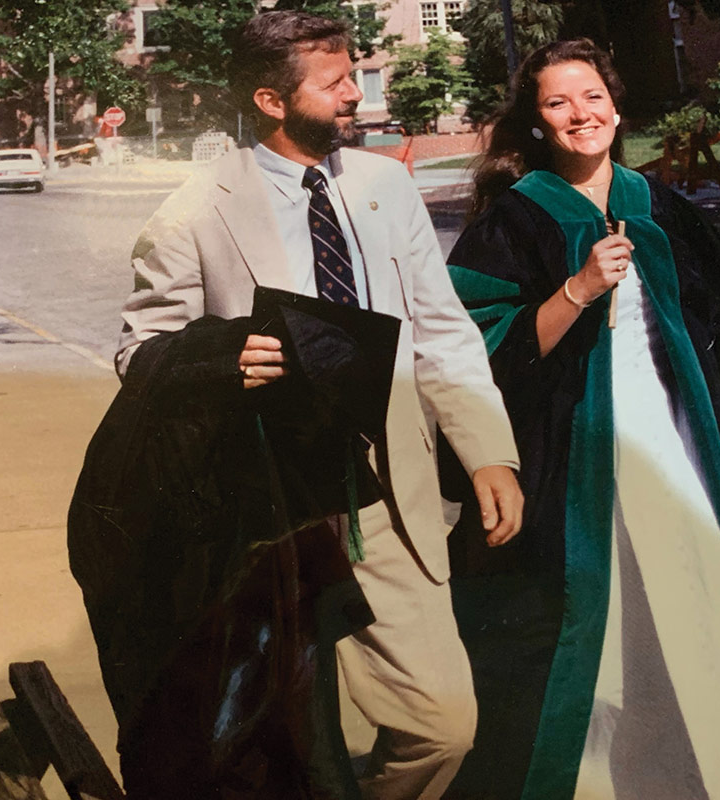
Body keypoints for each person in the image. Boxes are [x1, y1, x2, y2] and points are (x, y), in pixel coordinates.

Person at [94, 10, 524, 799]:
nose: (355, 94)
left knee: (443, 725)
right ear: (270, 99)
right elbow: (139, 352)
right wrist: (222, 360)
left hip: (390, 497)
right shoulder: (196, 208)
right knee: (277, 750)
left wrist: (488, 451)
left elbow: (441, 327)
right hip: (270, 517)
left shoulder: (386, 186)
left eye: (352, 75)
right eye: (334, 84)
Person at [442, 39, 720, 799]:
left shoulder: (662, 205)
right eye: (558, 103)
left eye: (592, 98)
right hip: (580, 461)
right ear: (539, 124)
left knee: (706, 607)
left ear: (616, 107)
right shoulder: (515, 219)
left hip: (682, 447)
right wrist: (578, 289)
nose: (581, 115)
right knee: (604, 630)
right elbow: (476, 351)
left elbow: (711, 318)